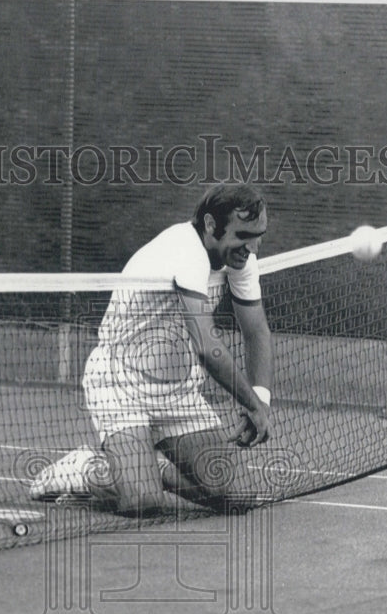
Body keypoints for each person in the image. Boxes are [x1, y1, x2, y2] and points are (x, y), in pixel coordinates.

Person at [30, 183, 274, 516]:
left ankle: (147, 467)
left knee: (237, 495)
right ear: (211, 225)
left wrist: (262, 399)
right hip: (119, 384)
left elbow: (256, 330)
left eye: (259, 235)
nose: (254, 246)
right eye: (245, 234)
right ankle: (83, 469)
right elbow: (207, 346)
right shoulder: (184, 251)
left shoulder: (240, 260)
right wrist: (251, 406)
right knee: (143, 502)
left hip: (176, 393)